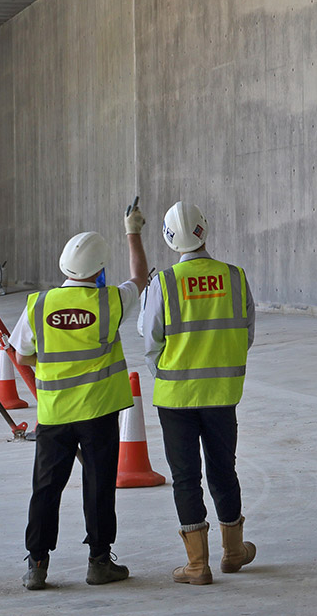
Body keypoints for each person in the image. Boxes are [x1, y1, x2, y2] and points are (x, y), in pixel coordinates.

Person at [126, 200, 257, 585]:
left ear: (169, 240)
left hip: (175, 400)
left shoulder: (164, 283)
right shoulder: (235, 277)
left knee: (185, 477)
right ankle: (233, 552)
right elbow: (246, 333)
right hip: (222, 394)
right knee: (223, 469)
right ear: (204, 230)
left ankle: (197, 565)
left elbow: (149, 340)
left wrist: (167, 374)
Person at [10, 226, 141, 591]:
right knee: (99, 485)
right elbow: (139, 278)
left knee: (46, 488)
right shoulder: (110, 301)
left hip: (54, 415)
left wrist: (47, 366)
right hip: (98, 412)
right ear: (99, 270)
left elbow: (21, 355)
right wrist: (132, 233)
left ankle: (37, 565)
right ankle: (99, 562)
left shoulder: (39, 304)